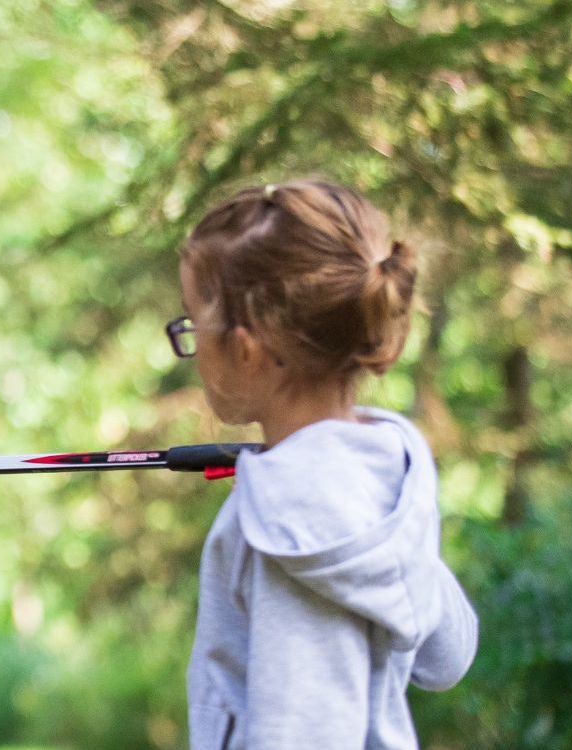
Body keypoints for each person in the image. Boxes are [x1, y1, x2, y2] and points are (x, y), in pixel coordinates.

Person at [170, 179, 477, 748]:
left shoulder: (285, 517)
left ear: (245, 350)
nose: (190, 349)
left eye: (191, 327)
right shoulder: (383, 471)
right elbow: (448, 654)